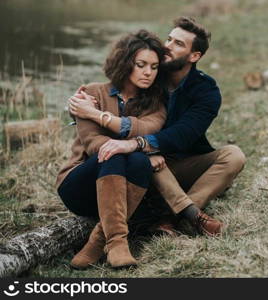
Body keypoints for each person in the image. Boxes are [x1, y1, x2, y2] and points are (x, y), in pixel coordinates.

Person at [71, 17, 246, 237]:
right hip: (139, 163)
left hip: (179, 161)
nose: (167, 46)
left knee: (234, 155)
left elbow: (182, 135)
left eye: (178, 44)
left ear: (194, 56)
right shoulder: (149, 73)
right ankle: (192, 216)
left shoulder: (207, 91)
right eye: (169, 39)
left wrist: (142, 144)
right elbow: (116, 94)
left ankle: (173, 216)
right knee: (149, 161)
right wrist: (81, 104)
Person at [56, 29, 168, 269]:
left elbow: (151, 128)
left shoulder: (155, 103)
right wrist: (131, 145)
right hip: (80, 185)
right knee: (113, 154)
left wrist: (101, 118)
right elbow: (92, 143)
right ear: (125, 62)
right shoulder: (92, 93)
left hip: (118, 189)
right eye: (141, 64)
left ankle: (99, 241)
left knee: (136, 162)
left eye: (154, 67)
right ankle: (116, 242)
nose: (148, 72)